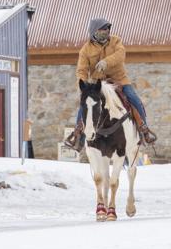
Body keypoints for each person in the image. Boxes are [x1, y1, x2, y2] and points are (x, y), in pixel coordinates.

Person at [63, 18, 156, 151]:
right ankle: (78, 135)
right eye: (103, 29)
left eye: (107, 29)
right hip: (97, 84)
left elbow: (120, 54)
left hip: (119, 81)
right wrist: (82, 87)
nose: (106, 31)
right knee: (85, 104)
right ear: (94, 31)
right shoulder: (85, 49)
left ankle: (144, 129)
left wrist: (106, 62)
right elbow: (81, 70)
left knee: (134, 98)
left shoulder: (116, 41)